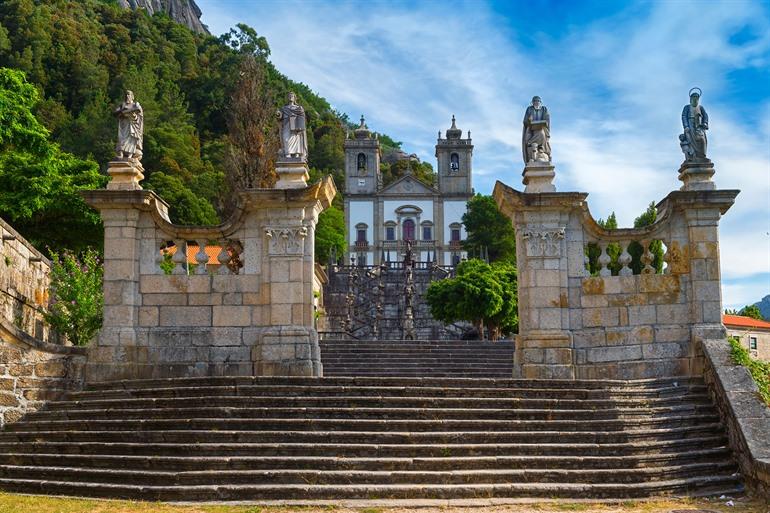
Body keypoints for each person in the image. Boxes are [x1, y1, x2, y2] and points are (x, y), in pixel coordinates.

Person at [277, 92, 308, 160]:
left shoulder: (298, 108)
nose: (291, 97)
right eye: (289, 96)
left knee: (296, 139)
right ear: (287, 98)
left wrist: (299, 125)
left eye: (292, 96)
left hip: (295, 126)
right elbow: (280, 116)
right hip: (286, 125)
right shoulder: (284, 108)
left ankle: (296, 154)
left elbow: (302, 117)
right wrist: (278, 114)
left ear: (295, 98)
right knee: (286, 139)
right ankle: (287, 153)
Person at [114, 90, 143, 161]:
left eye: (129, 94)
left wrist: (129, 111)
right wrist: (123, 111)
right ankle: (121, 154)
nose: (127, 96)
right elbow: (115, 113)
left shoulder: (135, 104)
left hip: (132, 125)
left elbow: (139, 111)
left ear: (132, 97)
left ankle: (130, 155)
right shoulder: (122, 105)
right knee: (121, 139)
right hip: (124, 125)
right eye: (126, 95)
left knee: (132, 138)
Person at [680, 87, 708, 160]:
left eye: (696, 98)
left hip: (699, 126)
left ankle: (702, 156)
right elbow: (683, 116)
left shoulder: (701, 107)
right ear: (690, 99)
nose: (695, 100)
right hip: (690, 125)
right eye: (693, 98)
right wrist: (686, 126)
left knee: (702, 140)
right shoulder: (687, 107)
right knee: (690, 140)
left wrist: (705, 123)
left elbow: (705, 116)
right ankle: (693, 156)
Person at [521, 95, 551, 164]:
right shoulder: (529, 109)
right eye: (535, 101)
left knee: (542, 133)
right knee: (540, 133)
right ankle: (531, 144)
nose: (536, 103)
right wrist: (529, 120)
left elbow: (547, 119)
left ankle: (540, 147)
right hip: (531, 130)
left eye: (538, 101)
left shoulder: (544, 109)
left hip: (542, 128)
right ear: (532, 102)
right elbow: (525, 121)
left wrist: (544, 121)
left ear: (540, 102)